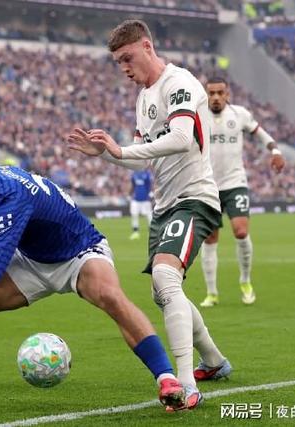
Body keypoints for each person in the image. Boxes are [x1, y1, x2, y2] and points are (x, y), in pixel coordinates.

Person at [0, 161, 189, 412]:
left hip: (80, 252)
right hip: (31, 260)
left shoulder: (10, 197)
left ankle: (167, 379)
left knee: (111, 297)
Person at [66, 20, 231, 407]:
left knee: (164, 277)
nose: (124, 68)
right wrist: (107, 154)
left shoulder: (179, 83)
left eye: (127, 58)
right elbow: (142, 161)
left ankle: (186, 384)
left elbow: (181, 138)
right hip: (165, 205)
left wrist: (121, 150)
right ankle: (214, 360)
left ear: (146, 46)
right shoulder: (144, 98)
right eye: (118, 62)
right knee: (163, 291)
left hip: (195, 198)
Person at [199, 77, 285, 307]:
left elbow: (261, 134)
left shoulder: (240, 114)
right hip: (207, 186)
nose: (215, 97)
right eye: (211, 93)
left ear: (227, 94)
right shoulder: (198, 115)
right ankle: (212, 292)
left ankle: (245, 281)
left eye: (220, 93)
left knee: (240, 231)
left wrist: (275, 151)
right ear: (206, 95)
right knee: (210, 237)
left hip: (235, 182)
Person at [129, 169, 153, 240]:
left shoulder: (147, 174)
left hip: (145, 199)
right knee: (134, 215)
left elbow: (150, 185)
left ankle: (151, 232)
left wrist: (150, 193)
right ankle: (135, 232)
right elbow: (133, 185)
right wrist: (130, 194)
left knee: (149, 215)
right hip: (136, 199)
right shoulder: (134, 174)